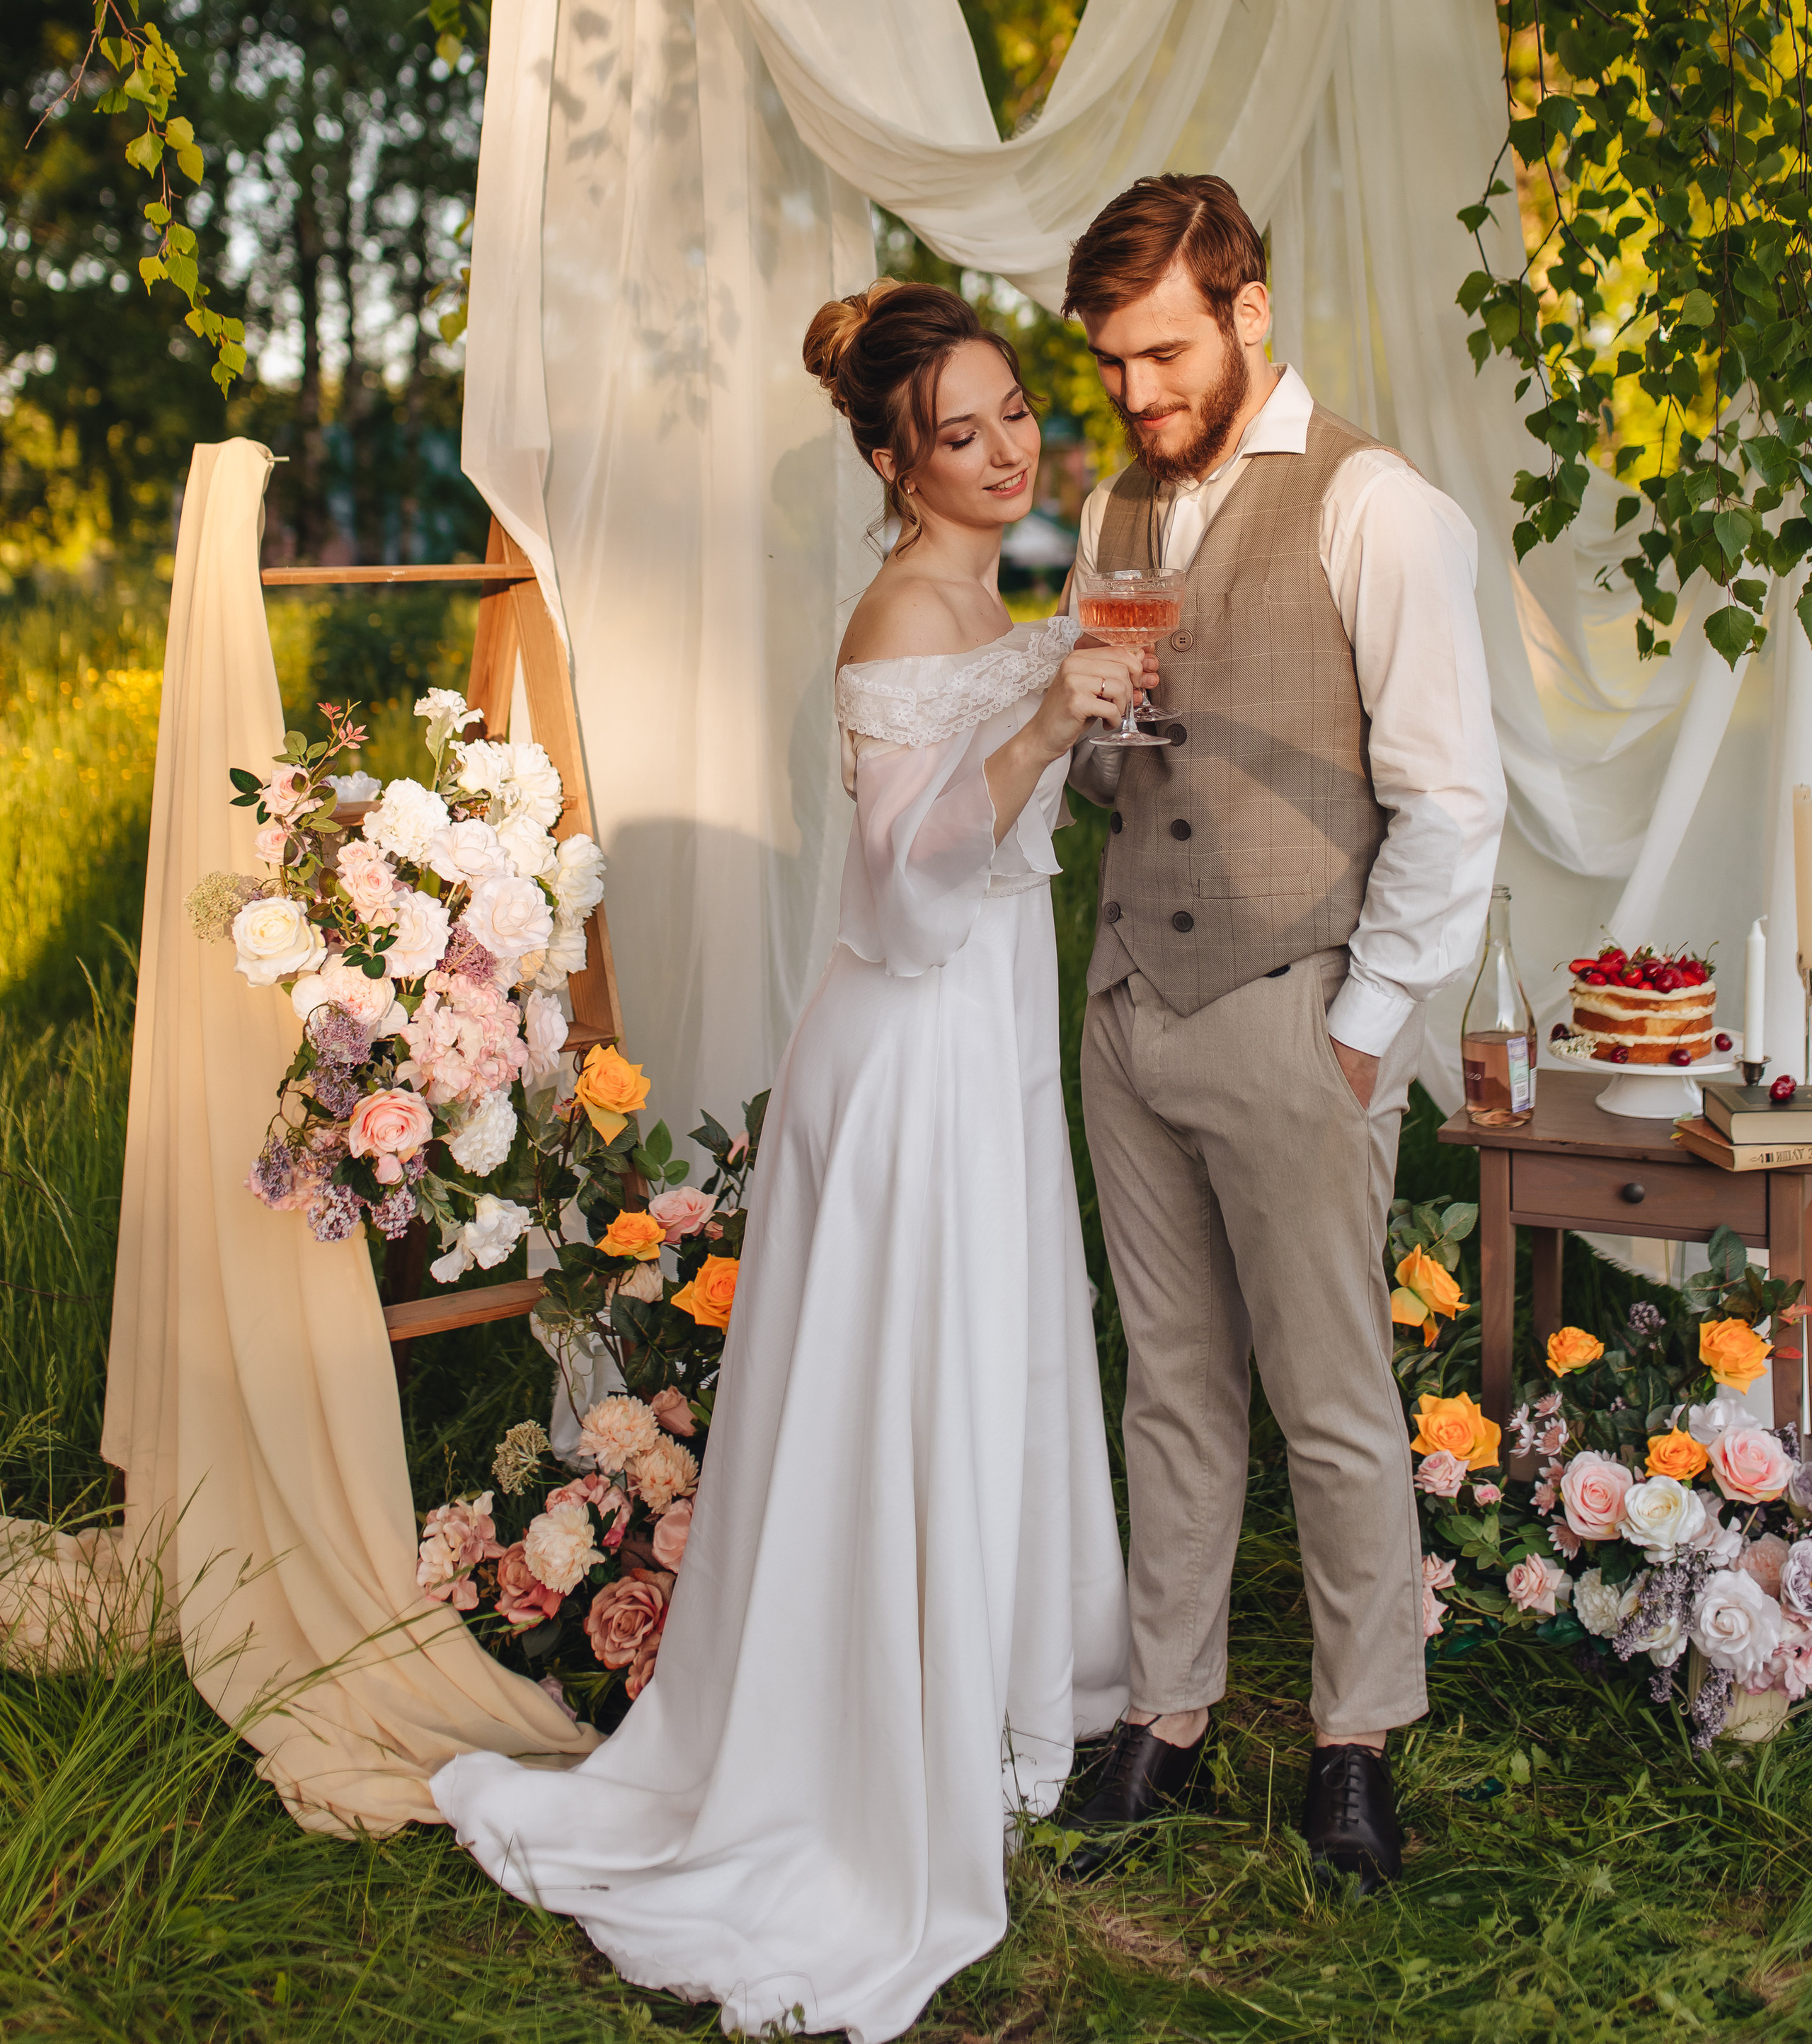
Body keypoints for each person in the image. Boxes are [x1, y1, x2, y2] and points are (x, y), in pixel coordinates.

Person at [432, 280, 1135, 2043]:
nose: (1003, 449)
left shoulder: (987, 590)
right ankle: (865, 1751)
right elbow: (899, 891)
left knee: (982, 1355)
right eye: (959, 432)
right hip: (907, 1057)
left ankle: (986, 1695)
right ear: (895, 462)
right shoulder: (898, 608)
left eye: (1012, 412)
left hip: (981, 1042)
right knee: (905, 1375)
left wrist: (1082, 706)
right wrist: (1046, 722)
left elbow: (996, 821)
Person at [1057, 173, 1506, 1893]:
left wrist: (1361, 1029)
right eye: (1110, 363)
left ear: (1245, 313)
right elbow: (1104, 776)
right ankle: (1162, 1715)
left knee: (1329, 1399)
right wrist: (1089, 731)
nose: (1135, 392)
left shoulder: (1374, 505)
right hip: (1129, 1005)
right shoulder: (1111, 510)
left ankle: (1354, 1741)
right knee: (1169, 1384)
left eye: (1162, 353)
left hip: (1291, 1009)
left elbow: (1446, 802)